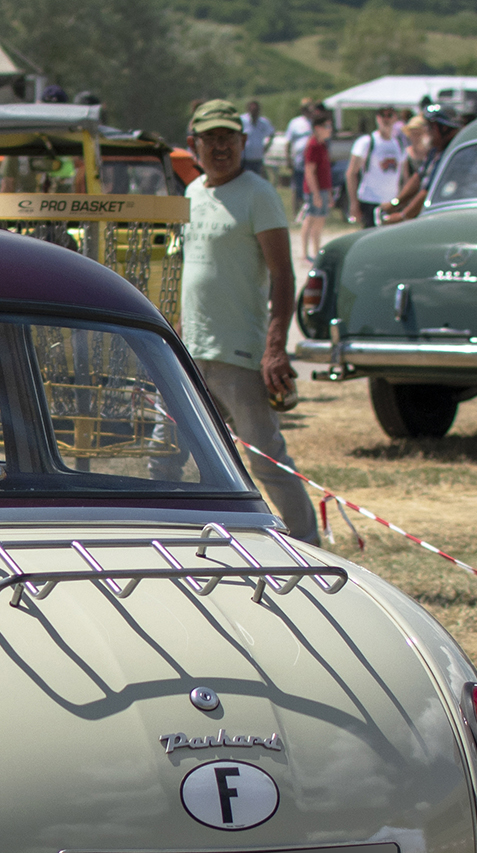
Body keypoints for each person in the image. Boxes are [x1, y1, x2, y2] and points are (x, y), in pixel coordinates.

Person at [179, 99, 318, 543]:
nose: (220, 147)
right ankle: (208, 542)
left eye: (228, 138)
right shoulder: (192, 193)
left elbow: (283, 273)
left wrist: (274, 347)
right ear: (193, 144)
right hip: (191, 351)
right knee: (182, 459)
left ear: (243, 141)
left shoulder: (258, 193)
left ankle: (308, 546)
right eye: (210, 138)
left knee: (265, 459)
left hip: (240, 352)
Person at [383, 102, 461, 223]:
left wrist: (403, 216)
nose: (426, 131)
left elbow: (428, 190)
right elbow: (418, 178)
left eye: (429, 127)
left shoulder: (453, 154)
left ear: (443, 128)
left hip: (448, 216)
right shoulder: (434, 151)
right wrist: (395, 203)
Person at [345, 105, 405, 227]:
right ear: (377, 118)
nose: (386, 119)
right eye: (382, 115)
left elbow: (404, 175)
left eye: (390, 115)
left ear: (395, 118)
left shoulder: (398, 144)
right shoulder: (367, 142)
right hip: (370, 200)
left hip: (391, 202)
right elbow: (351, 173)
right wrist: (353, 203)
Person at [300, 113, 332, 262]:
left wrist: (329, 193)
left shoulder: (323, 145)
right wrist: (316, 194)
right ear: (318, 128)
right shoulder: (312, 145)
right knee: (310, 219)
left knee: (320, 220)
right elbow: (309, 172)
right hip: (315, 189)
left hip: (324, 188)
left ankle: (316, 250)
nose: (329, 129)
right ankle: (304, 253)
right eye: (327, 126)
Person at [284, 98, 315, 206]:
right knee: (297, 187)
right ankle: (296, 212)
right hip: (298, 161)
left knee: (311, 185)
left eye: (310, 109)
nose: (308, 111)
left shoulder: (316, 123)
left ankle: (309, 210)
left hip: (312, 160)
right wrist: (288, 159)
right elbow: (288, 142)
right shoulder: (295, 122)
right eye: (306, 109)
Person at [241, 99, 274, 176]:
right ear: (248, 110)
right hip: (244, 159)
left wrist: (266, 147)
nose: (255, 112)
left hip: (258, 159)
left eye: (256, 110)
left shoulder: (264, 122)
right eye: (253, 110)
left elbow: (271, 134)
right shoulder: (242, 121)